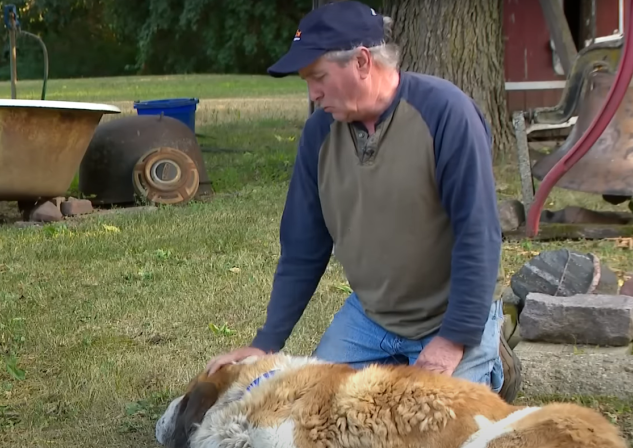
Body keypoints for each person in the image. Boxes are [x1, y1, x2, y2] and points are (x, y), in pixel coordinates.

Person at [204, 0, 521, 402]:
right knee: (313, 410)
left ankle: (490, 356)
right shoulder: (319, 135)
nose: (313, 94)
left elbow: (478, 234)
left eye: (318, 77)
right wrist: (266, 343)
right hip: (371, 319)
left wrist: (453, 339)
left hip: (447, 318)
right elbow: (303, 249)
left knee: (435, 424)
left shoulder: (447, 113)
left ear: (362, 62)